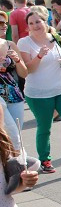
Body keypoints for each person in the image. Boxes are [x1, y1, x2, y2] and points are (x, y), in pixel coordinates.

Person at [17, 6, 61, 173]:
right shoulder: (24, 42)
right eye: (31, 23)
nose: (36, 25)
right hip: (39, 93)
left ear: (45, 22)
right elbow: (27, 70)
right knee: (45, 127)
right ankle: (45, 159)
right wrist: (39, 56)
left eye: (38, 21)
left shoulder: (56, 37)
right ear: (27, 26)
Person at [0, 14, 28, 156]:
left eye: (5, 23)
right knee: (11, 136)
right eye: (0, 23)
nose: (4, 26)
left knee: (17, 134)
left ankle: (14, 167)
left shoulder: (11, 44)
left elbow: (24, 74)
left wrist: (17, 61)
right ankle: (18, 166)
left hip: (14, 95)